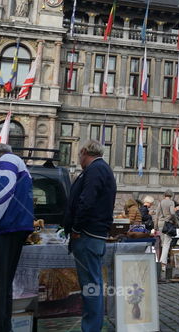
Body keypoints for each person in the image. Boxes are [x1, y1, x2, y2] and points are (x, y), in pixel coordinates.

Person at [0, 143, 34, 332]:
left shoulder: (6, 161)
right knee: (2, 283)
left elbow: (3, 190)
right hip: (12, 227)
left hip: (3, 229)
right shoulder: (15, 162)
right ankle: (2, 326)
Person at [65, 140, 116, 332]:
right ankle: (92, 326)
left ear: (85, 152)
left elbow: (86, 201)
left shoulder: (95, 169)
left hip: (87, 234)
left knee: (90, 285)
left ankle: (91, 328)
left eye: (79, 155)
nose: (79, 159)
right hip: (91, 233)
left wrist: (76, 228)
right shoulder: (99, 169)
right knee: (92, 284)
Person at [154, 190, 176, 270]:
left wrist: (155, 227)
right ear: (171, 195)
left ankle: (162, 263)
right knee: (167, 244)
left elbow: (156, 215)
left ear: (164, 195)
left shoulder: (160, 203)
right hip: (167, 224)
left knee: (163, 244)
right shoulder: (171, 202)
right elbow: (172, 213)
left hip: (160, 223)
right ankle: (163, 264)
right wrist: (171, 219)